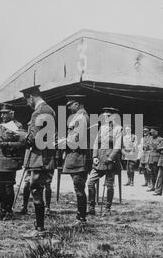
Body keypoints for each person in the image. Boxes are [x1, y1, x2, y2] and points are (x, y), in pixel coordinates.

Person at [23, 85, 56, 233]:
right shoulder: (49, 109)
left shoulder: (39, 112)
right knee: (38, 189)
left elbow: (33, 139)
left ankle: (40, 229)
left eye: (27, 100)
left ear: (30, 96)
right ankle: (39, 225)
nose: (27, 104)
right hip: (46, 156)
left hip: (39, 157)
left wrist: (22, 136)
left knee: (36, 190)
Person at [0, 103, 27, 220]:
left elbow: (22, 143)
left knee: (8, 186)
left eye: (5, 113)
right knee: (1, 186)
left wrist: (7, 144)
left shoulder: (17, 126)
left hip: (10, 160)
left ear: (11, 113)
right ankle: (2, 209)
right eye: (2, 114)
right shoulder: (0, 126)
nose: (3, 116)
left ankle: (8, 211)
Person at [87, 107, 122, 216]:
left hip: (111, 161)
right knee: (90, 182)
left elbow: (117, 146)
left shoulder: (118, 129)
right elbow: (95, 143)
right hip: (100, 160)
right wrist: (94, 156)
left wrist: (110, 158)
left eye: (108, 116)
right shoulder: (102, 128)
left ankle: (107, 208)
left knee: (109, 185)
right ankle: (91, 207)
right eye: (104, 116)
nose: (105, 118)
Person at [62, 95, 91, 224]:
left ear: (77, 104)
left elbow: (77, 139)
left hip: (79, 157)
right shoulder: (79, 116)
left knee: (79, 188)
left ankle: (81, 218)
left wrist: (63, 142)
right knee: (78, 188)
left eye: (70, 104)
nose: (68, 107)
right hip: (76, 156)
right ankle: (80, 216)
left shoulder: (81, 117)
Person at [146, 126, 163, 192]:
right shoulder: (150, 139)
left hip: (157, 158)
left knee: (157, 174)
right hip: (150, 158)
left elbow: (161, 149)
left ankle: (158, 187)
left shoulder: (161, 139)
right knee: (151, 173)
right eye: (151, 132)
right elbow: (148, 148)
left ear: (157, 132)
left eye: (153, 132)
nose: (152, 133)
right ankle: (153, 186)